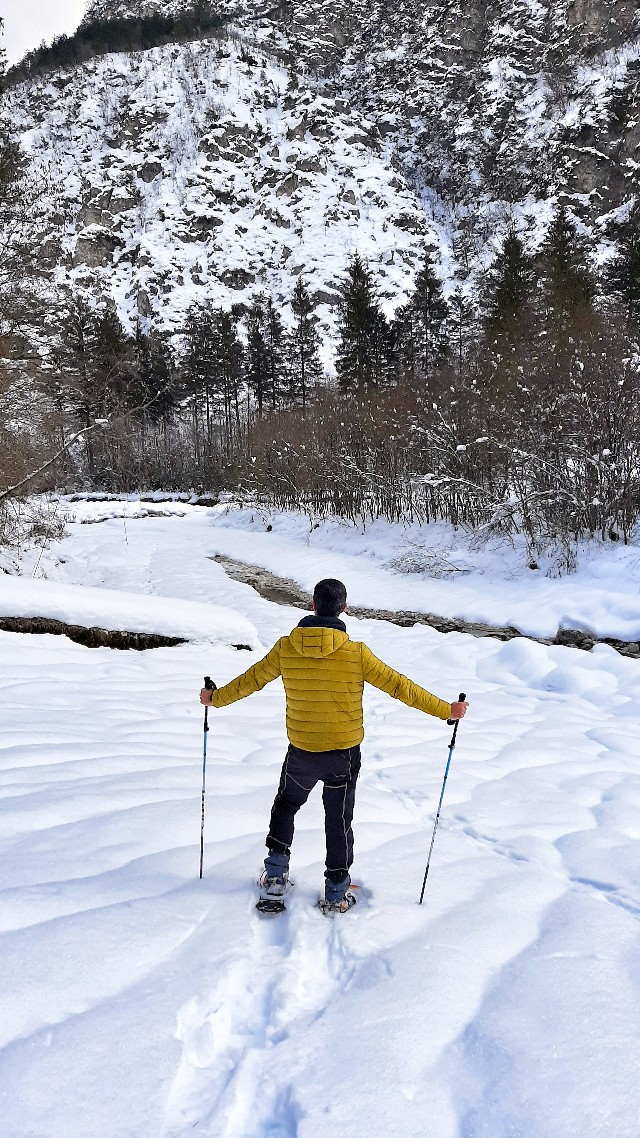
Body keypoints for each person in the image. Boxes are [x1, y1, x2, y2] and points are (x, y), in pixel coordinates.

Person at [200, 578, 468, 913]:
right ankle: (336, 892)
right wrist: (447, 710)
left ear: (312, 605)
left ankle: (276, 876)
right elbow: (400, 687)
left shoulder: (286, 648)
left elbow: (250, 681)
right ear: (343, 608)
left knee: (285, 806)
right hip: (343, 754)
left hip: (301, 752)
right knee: (338, 820)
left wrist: (215, 698)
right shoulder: (356, 653)